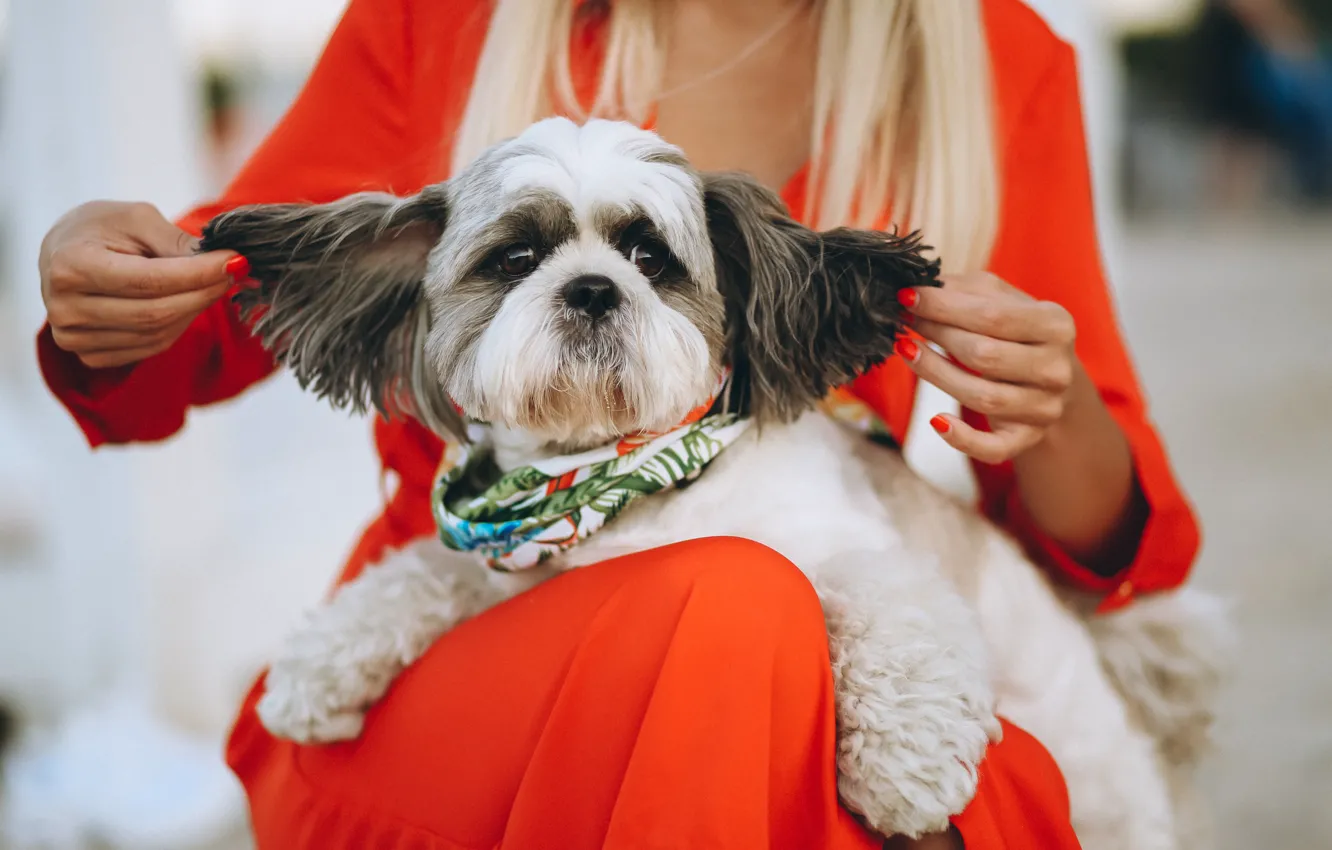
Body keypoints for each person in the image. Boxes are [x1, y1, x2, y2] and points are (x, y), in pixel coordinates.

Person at [34, 0, 1201, 847]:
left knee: (753, 621)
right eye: (527, 255)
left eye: (646, 259)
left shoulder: (997, 62)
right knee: (738, 608)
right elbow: (208, 309)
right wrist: (109, 292)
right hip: (469, 687)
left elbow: (1119, 543)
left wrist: (1044, 400)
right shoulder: (437, 20)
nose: (595, 288)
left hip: (820, 708)